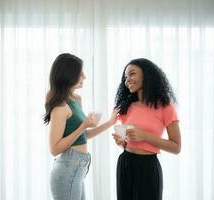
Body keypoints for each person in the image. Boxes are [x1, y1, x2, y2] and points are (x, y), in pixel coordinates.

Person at [43, 53, 119, 200]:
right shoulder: (60, 107)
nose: (84, 77)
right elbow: (54, 149)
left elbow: (84, 135)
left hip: (78, 168)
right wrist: (83, 125)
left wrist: (110, 122)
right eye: (80, 73)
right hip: (67, 168)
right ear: (68, 75)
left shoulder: (76, 100)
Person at [112, 58, 181, 200]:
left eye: (132, 74)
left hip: (148, 167)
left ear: (147, 75)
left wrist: (145, 136)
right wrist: (122, 142)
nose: (127, 80)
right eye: (125, 77)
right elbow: (127, 141)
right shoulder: (127, 107)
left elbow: (176, 147)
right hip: (125, 163)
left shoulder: (165, 107)